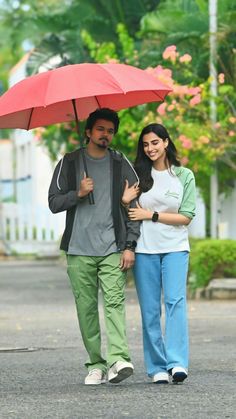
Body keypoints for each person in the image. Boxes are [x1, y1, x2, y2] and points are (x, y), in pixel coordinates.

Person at [48, 108, 140, 385]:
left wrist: (130, 245)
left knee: (115, 303)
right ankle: (96, 364)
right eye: (100, 129)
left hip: (112, 247)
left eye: (110, 131)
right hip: (78, 249)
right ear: (88, 132)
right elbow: (53, 202)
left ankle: (118, 360)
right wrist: (78, 193)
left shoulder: (119, 161)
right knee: (86, 308)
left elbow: (133, 205)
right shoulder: (70, 162)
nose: (106, 135)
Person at [121, 123, 196, 384]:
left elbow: (185, 217)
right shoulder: (138, 176)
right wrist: (125, 202)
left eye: (155, 142)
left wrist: (150, 215)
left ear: (166, 142)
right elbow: (128, 211)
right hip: (145, 251)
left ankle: (177, 363)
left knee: (175, 304)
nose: (150, 148)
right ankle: (157, 367)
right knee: (150, 310)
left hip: (176, 249)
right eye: (145, 144)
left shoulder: (183, 175)